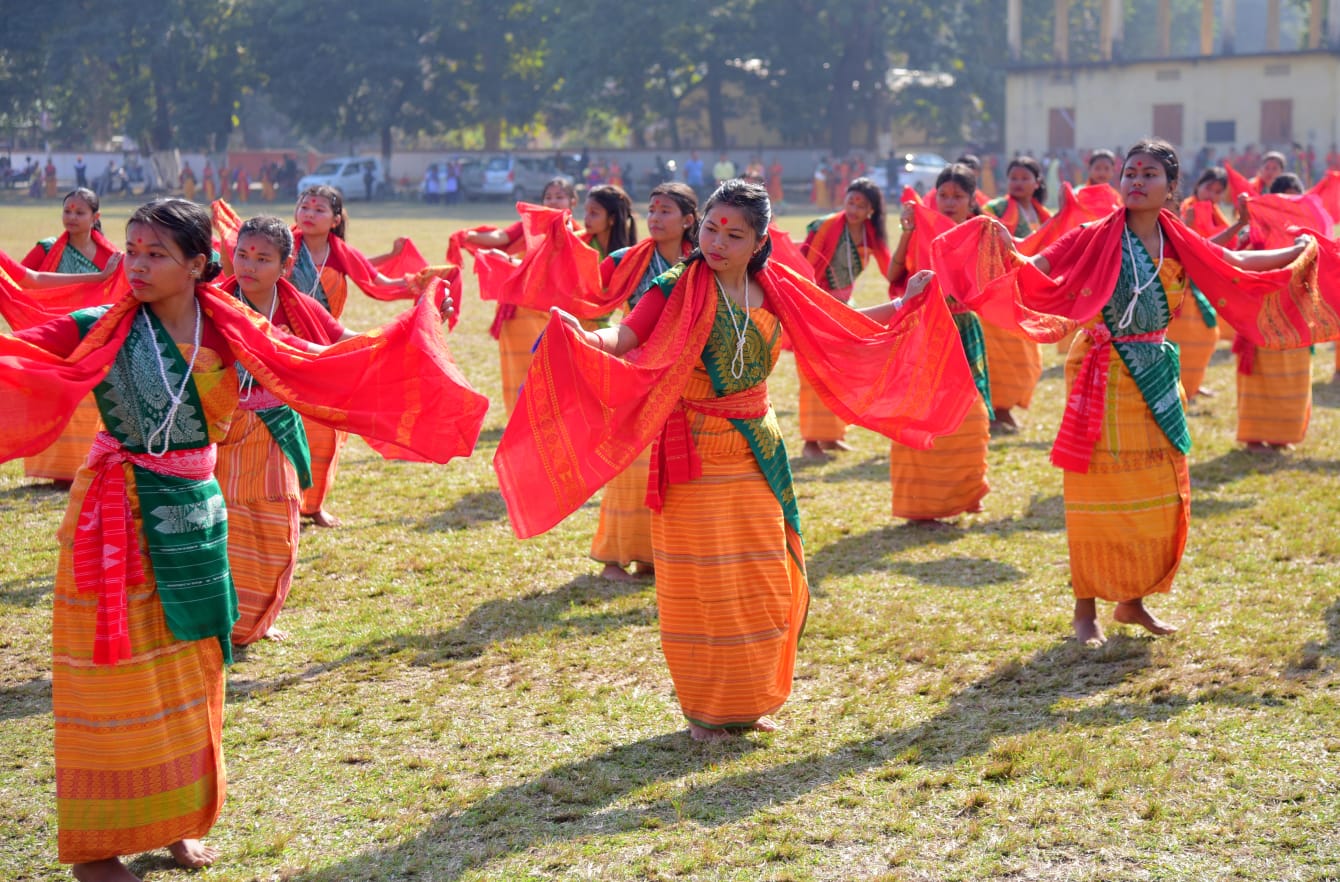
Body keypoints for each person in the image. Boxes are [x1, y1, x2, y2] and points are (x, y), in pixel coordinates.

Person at [0, 198, 479, 882]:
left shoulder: (232, 331)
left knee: (195, 673)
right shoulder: (98, 328)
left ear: (200, 264)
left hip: (197, 507)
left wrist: (411, 330)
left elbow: (326, 363)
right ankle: (96, 850)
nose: (136, 263)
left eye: (155, 252)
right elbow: (17, 358)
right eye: (131, 249)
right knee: (115, 680)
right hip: (117, 516)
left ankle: (178, 824)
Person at [496, 180, 973, 740]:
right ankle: (708, 712)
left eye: (733, 234)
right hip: (695, 451)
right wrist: (588, 337)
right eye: (711, 229)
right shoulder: (676, 286)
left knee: (766, 579)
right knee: (706, 588)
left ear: (759, 241)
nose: (717, 242)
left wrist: (903, 302)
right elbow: (627, 334)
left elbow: (836, 322)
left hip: (757, 450)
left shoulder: (774, 286)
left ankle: (747, 700)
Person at [933, 138, 1323, 645]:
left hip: (1157, 374)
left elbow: (1233, 262)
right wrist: (998, 253)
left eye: (1149, 174)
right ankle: (1085, 609)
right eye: (1130, 173)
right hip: (1102, 370)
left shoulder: (1176, 238)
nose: (1136, 181)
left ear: (1170, 188)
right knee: (1097, 490)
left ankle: (1132, 602)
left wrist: (1299, 252)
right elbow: (1037, 271)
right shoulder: (1093, 235)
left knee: (1156, 492)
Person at [219, 216, 353, 644]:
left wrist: (404, 333)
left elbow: (342, 340)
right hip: (219, 432)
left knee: (278, 531)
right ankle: (223, 623)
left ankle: (257, 619)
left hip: (275, 429)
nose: (249, 266)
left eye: (262, 259)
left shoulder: (297, 307)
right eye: (242, 254)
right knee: (224, 527)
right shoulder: (211, 304)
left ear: (285, 264)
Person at [590, 182, 698, 582]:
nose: (655, 217)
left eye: (666, 211)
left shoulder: (705, 262)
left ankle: (654, 555)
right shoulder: (624, 260)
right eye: (651, 210)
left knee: (669, 466)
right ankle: (614, 559)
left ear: (689, 220)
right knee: (629, 466)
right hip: (636, 372)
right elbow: (582, 294)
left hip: (685, 376)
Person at [288, 184, 412, 527]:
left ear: (335, 219)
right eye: (304, 207)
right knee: (285, 430)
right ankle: (286, 503)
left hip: (330, 352)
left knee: (326, 431)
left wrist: (418, 284)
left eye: (318, 210)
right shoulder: (283, 247)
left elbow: (376, 280)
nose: (309, 214)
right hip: (283, 349)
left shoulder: (339, 253)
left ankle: (313, 505)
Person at [885, 164, 992, 520]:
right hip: (928, 330)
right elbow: (894, 274)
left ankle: (967, 491)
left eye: (957, 196)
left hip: (963, 329)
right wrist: (907, 232)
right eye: (943, 195)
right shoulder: (923, 230)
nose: (948, 202)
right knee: (923, 412)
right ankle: (923, 503)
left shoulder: (980, 233)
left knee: (971, 416)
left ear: (971, 200)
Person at [18, 188, 122, 486]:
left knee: (89, 400)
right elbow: (22, 281)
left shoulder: (110, 256)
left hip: (93, 336)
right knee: (58, 395)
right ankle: (58, 470)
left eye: (79, 212)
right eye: (67, 211)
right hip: (57, 333)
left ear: (95, 217)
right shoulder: (47, 249)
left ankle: (86, 466)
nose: (72, 217)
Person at [455, 178, 581, 416]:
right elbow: (501, 237)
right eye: (548, 197)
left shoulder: (578, 233)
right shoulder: (530, 224)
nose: (553, 201)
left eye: (559, 196)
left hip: (553, 307)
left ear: (573, 202)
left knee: (549, 363)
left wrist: (510, 262)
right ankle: (518, 416)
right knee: (518, 363)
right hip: (519, 307)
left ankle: (546, 414)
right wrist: (468, 235)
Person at [797, 177, 891, 459]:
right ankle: (810, 443)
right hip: (816, 308)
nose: (854, 208)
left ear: (871, 211)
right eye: (851, 201)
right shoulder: (824, 226)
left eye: (861, 205)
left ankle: (831, 436)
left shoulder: (870, 235)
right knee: (814, 375)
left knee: (839, 374)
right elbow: (802, 266)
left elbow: (892, 268)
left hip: (844, 309)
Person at [1233, 173, 1319, 451]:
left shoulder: (1312, 234)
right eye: (1283, 199)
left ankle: (1282, 436)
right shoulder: (1256, 233)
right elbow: (1239, 264)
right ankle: (1254, 437)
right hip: (1261, 316)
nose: (1290, 205)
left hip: (1296, 316)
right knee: (1259, 378)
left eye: (1296, 198)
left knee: (1293, 377)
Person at [981, 156, 1051, 433]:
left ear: (1037, 183)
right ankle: (999, 411)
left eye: (1024, 178)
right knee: (1003, 357)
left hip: (1027, 296)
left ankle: (1005, 408)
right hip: (998, 293)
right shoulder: (993, 209)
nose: (1018, 183)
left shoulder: (1044, 215)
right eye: (1013, 178)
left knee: (1028, 358)